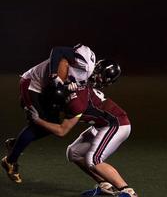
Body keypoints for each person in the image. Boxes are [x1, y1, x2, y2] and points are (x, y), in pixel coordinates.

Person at [26, 60, 138, 197]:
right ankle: (105, 186)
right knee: (74, 152)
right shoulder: (73, 89)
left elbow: (62, 131)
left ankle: (128, 191)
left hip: (117, 123)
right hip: (101, 124)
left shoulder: (75, 102)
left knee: (94, 159)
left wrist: (38, 120)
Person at [1, 44, 97, 183]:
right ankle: (10, 161)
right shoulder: (62, 62)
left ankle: (15, 144)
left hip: (44, 89)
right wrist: (60, 82)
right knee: (38, 122)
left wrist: (67, 86)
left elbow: (62, 87)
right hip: (31, 85)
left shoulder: (75, 65)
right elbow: (57, 55)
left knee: (51, 124)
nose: (80, 72)